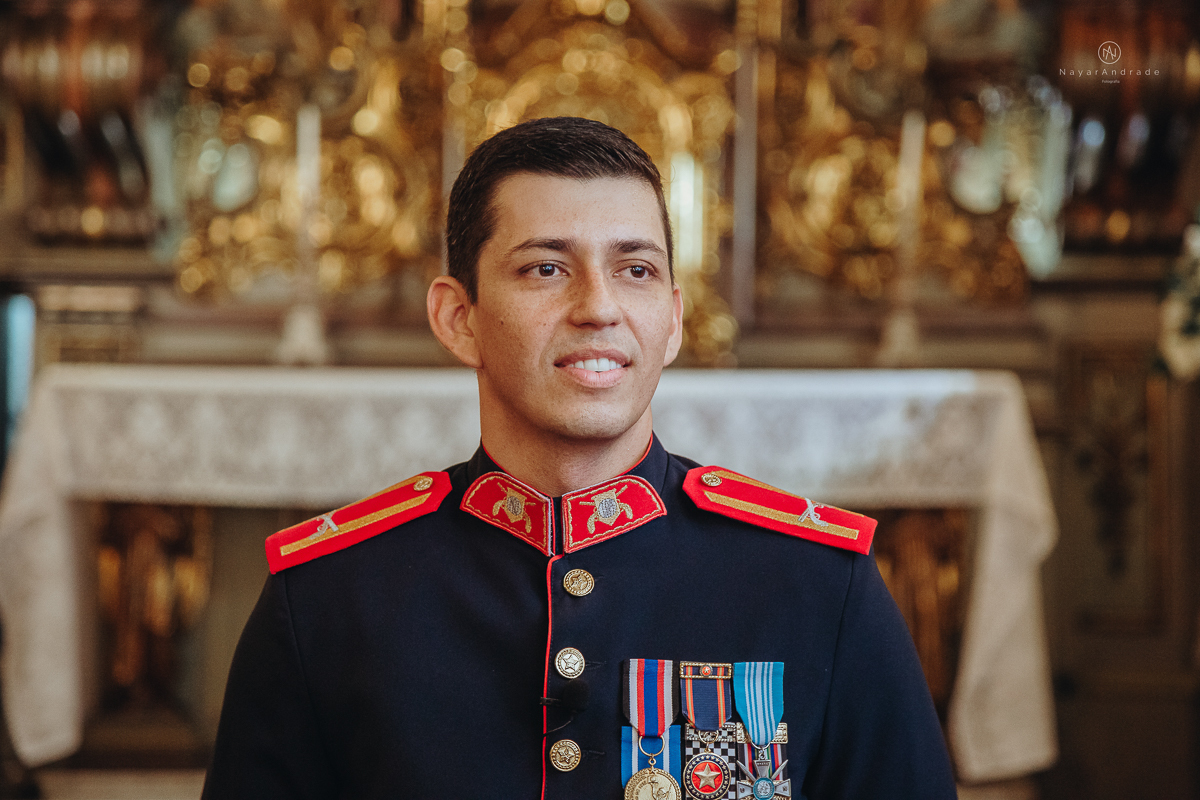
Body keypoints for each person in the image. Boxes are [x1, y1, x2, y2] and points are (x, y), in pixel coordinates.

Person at [202, 116, 957, 799]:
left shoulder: (819, 586)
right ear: (457, 319)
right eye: (545, 268)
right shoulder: (328, 598)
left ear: (671, 321)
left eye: (635, 270)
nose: (599, 307)